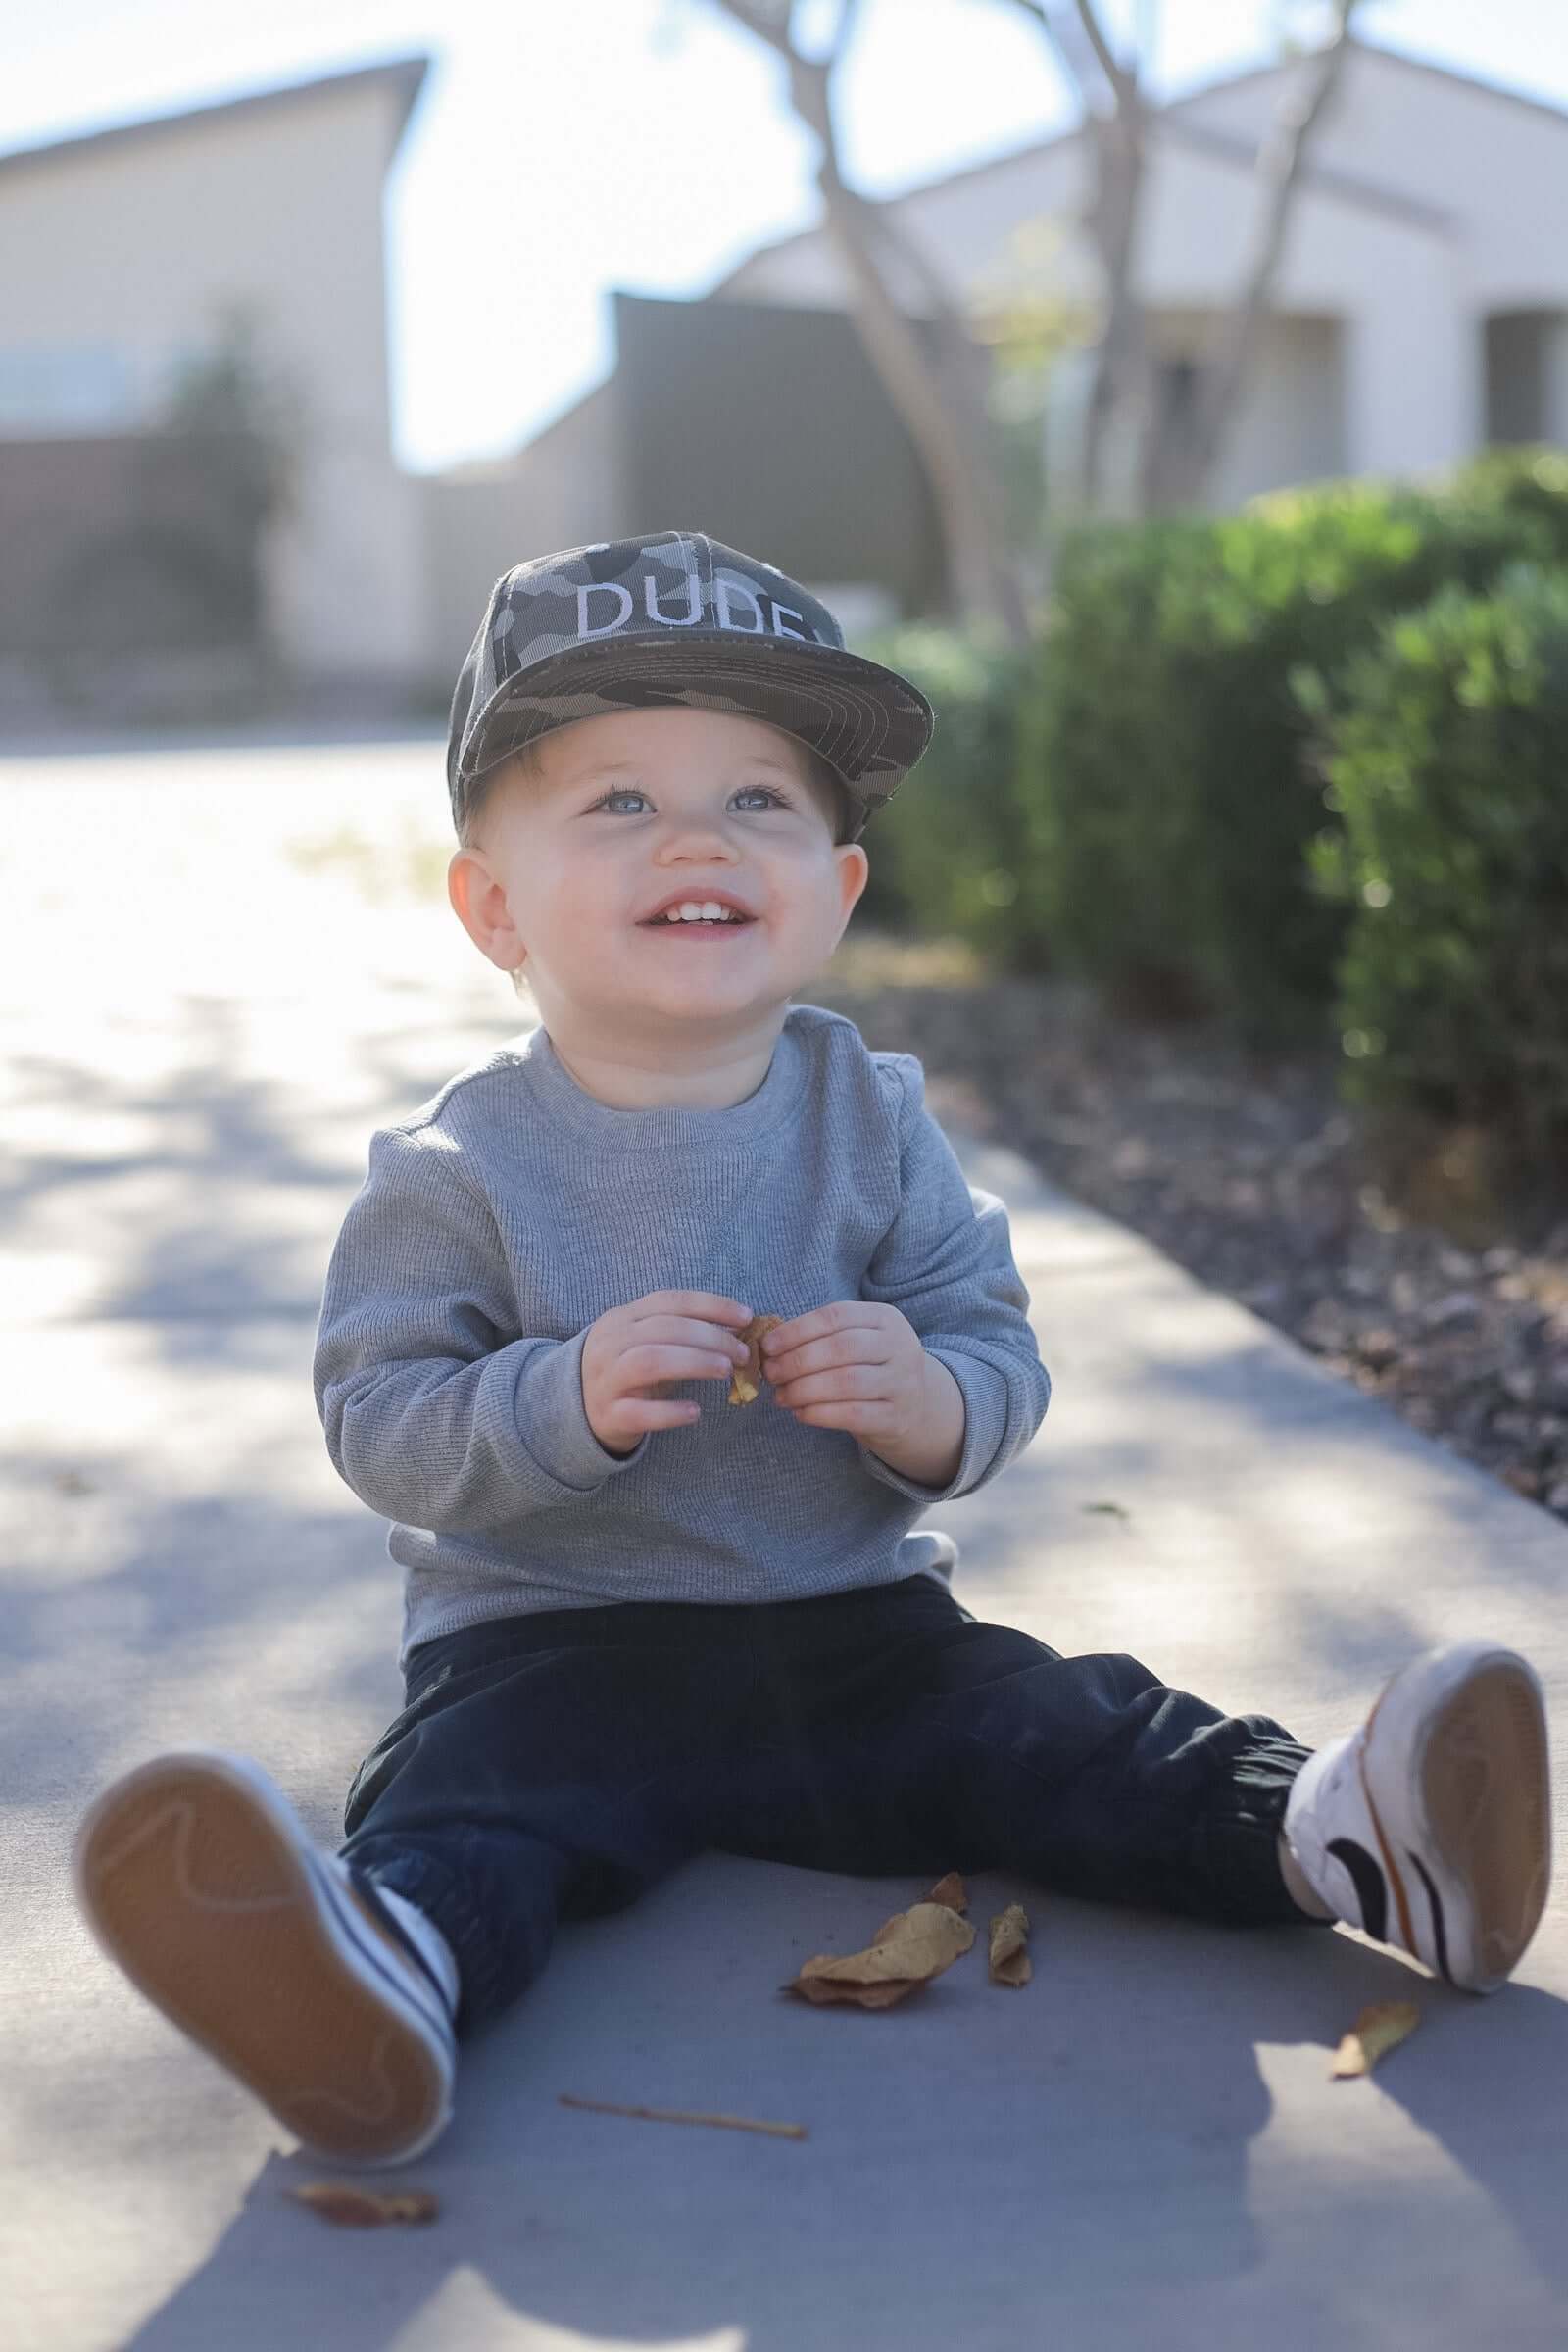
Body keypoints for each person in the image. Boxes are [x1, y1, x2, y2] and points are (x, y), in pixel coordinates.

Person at [74, 532, 1553, 2171]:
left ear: (836, 892)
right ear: (491, 906)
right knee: (466, 1812)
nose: (697, 833)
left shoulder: (877, 1118)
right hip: (550, 1650)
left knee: (1060, 1727)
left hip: (857, 1636)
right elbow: (380, 1423)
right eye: (618, 800)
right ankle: (382, 1987)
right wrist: (553, 1399)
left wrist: (926, 1408)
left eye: (761, 799)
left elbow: (995, 1348)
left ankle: (1340, 1832)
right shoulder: (455, 1170)